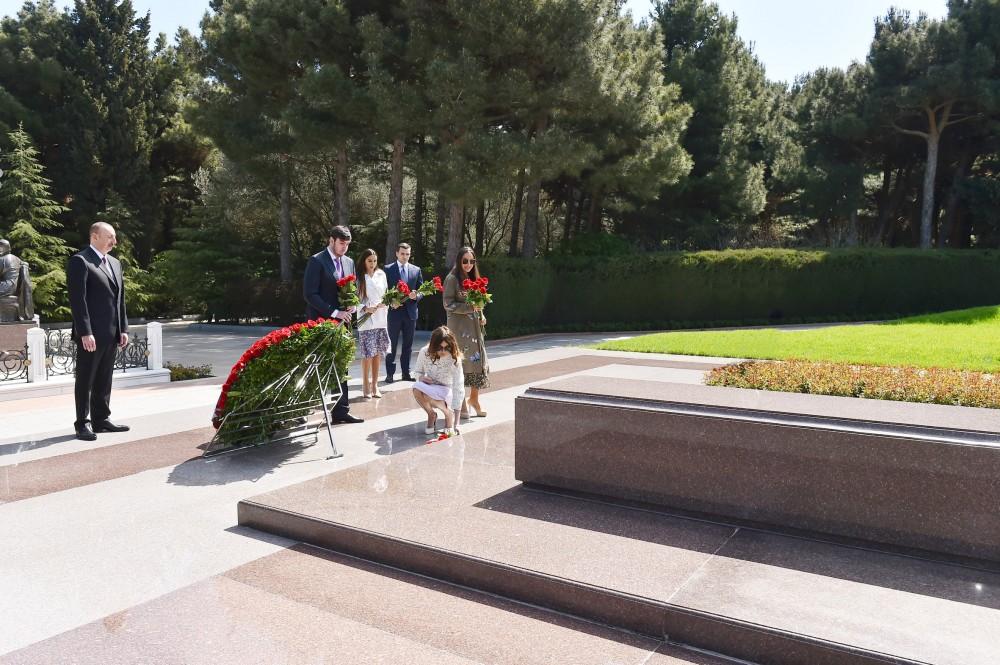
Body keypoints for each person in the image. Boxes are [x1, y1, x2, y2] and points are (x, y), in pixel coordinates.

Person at [67, 222, 130, 441]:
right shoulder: (80, 261)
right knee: (86, 379)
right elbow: (78, 300)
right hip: (91, 335)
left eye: (114, 237)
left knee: (105, 378)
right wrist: (85, 331)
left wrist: (123, 328)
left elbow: (120, 300)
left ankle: (101, 419)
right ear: (94, 236)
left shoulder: (114, 263)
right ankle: (82, 424)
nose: (114, 241)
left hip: (112, 333)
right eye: (110, 236)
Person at [303, 225, 364, 424]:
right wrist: (334, 312)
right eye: (341, 243)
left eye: (347, 244)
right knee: (317, 366)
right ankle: (302, 410)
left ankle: (341, 411)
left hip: (343, 324)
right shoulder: (317, 261)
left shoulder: (349, 262)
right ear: (331, 240)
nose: (344, 247)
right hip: (321, 322)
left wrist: (353, 305)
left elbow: (351, 290)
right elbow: (310, 294)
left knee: (342, 366)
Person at [443, 246, 488, 419]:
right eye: (465, 261)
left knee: (477, 363)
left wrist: (481, 314)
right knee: (460, 365)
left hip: (475, 329)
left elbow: (479, 302)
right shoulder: (452, 279)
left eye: (471, 261)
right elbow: (448, 304)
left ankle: (474, 400)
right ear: (459, 261)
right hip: (459, 329)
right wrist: (470, 308)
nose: (468, 264)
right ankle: (460, 403)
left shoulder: (474, 278)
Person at [411, 326, 465, 434]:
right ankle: (431, 414)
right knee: (416, 387)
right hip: (430, 388)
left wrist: (457, 422)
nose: (443, 351)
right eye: (440, 347)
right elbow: (416, 372)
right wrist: (421, 377)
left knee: (427, 395)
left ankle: (448, 415)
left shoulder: (454, 358)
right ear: (433, 345)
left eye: (447, 348)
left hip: (447, 391)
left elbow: (458, 386)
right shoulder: (424, 352)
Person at [383, 242, 424, 383]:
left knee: (408, 345)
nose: (405, 256)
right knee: (392, 345)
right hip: (394, 313)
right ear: (396, 253)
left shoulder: (416, 270)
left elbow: (422, 290)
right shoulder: (387, 269)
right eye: (402, 254)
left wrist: (416, 295)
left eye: (407, 254)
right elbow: (383, 291)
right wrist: (390, 302)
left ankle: (406, 373)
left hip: (410, 313)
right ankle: (389, 374)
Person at [356, 248, 390, 399]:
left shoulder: (381, 274)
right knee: (367, 353)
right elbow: (354, 299)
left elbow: (387, 293)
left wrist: (389, 302)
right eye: (369, 260)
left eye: (374, 261)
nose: (372, 263)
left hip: (381, 318)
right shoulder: (359, 277)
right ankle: (365, 384)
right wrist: (364, 308)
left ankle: (375, 384)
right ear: (364, 261)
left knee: (377, 353)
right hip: (366, 319)